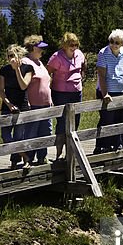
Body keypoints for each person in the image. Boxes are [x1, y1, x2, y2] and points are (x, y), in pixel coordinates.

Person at [11, 35, 53, 165]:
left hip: (46, 104)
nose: (42, 51)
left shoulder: (40, 63)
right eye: (39, 48)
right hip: (33, 104)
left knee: (45, 131)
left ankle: (42, 157)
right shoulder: (26, 62)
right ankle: (28, 158)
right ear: (33, 48)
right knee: (31, 133)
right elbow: (22, 84)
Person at [46, 32, 85, 161]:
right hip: (60, 92)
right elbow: (48, 72)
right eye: (71, 45)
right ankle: (59, 153)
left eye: (75, 45)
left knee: (76, 121)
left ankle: (71, 151)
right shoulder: (56, 57)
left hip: (76, 92)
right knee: (62, 123)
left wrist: (81, 78)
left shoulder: (79, 54)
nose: (74, 47)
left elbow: (83, 66)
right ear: (64, 45)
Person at [95, 29, 123, 153]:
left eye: (117, 42)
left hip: (121, 90)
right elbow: (101, 75)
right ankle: (102, 146)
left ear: (122, 43)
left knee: (120, 119)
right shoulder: (103, 52)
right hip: (107, 91)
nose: (114, 44)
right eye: (111, 41)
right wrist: (105, 93)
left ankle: (118, 144)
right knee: (107, 120)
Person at [0, 45, 33, 168]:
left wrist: (17, 69)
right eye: (9, 56)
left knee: (19, 136)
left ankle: (16, 161)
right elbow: (1, 90)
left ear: (19, 55)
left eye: (13, 55)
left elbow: (24, 86)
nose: (10, 58)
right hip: (7, 105)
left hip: (22, 105)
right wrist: (8, 104)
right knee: (5, 135)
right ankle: (25, 156)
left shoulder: (28, 68)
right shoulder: (4, 70)